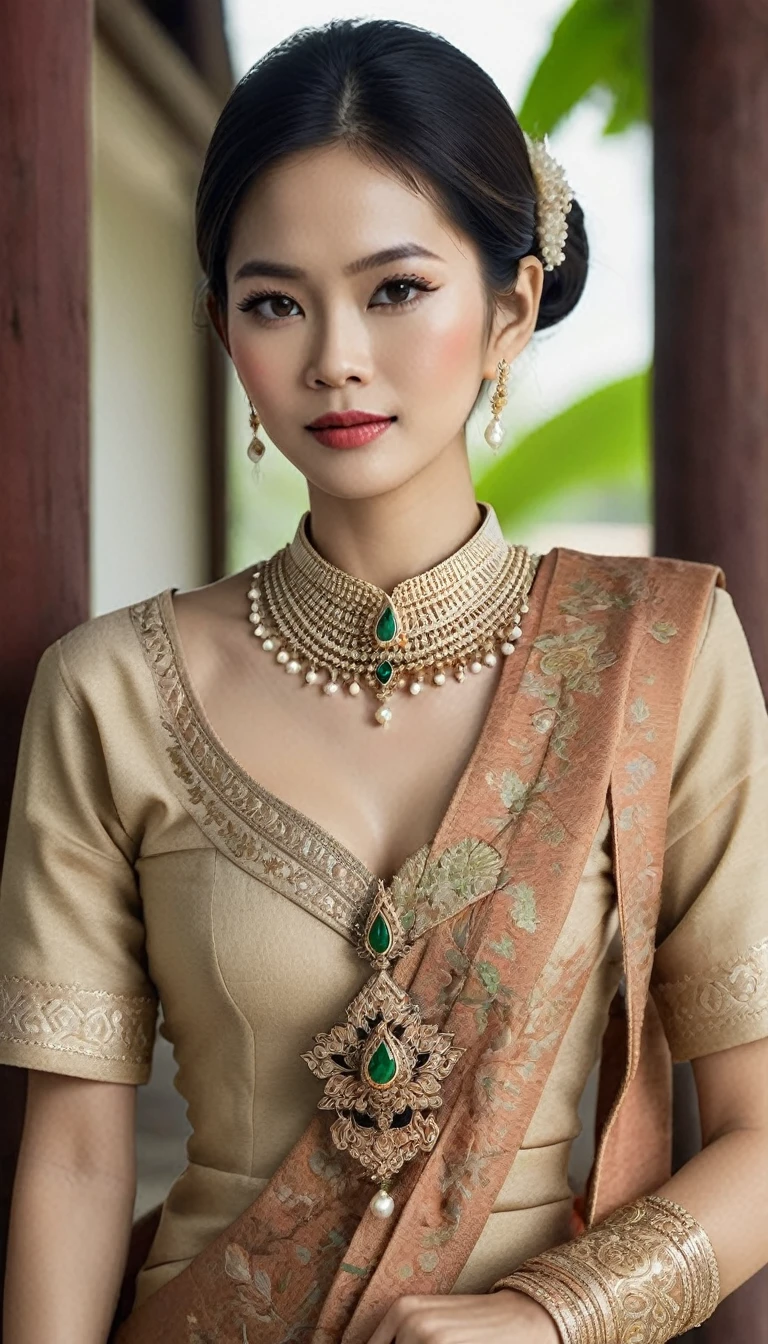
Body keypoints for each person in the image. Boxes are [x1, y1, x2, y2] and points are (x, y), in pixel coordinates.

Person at [1, 16, 767, 1344]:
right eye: (275, 300)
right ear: (222, 329)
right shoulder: (107, 693)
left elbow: (761, 1135)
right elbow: (74, 1162)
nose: (335, 354)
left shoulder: (662, 659)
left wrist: (547, 1318)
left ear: (511, 307)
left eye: (397, 288)